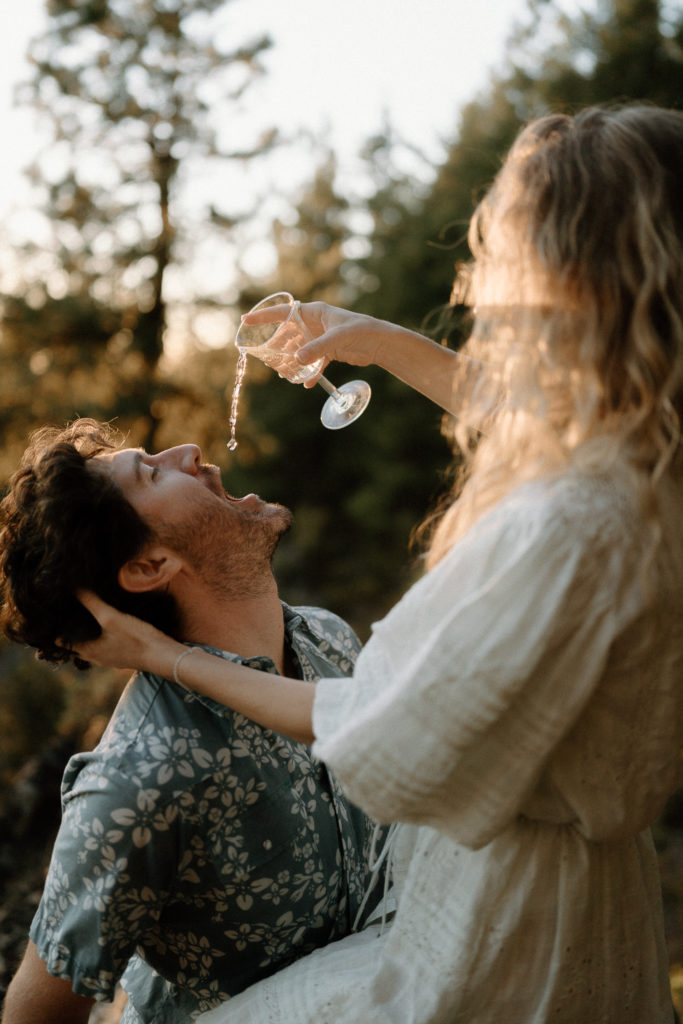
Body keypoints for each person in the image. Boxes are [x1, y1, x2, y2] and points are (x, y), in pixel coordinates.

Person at [36, 102, 683, 1022]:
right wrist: (368, 338)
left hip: (495, 940)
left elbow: (384, 736)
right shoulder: (646, 455)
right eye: (148, 468)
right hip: (552, 902)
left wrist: (169, 657)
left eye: (504, 259)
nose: (483, 287)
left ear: (571, 281)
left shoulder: (564, 527)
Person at [0, 419, 386, 1024]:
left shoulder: (328, 636)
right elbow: (36, 1016)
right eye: (153, 472)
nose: (189, 450)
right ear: (150, 564)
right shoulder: (138, 776)